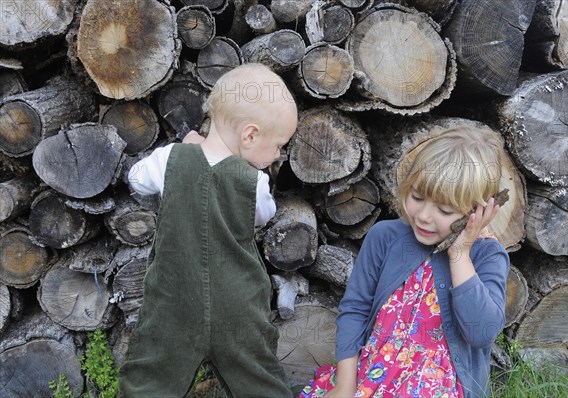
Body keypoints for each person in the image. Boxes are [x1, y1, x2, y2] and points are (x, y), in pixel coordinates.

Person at [119, 63, 298, 398]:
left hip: (173, 301)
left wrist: (186, 149)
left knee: (150, 379)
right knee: (258, 378)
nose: (277, 155)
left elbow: (137, 179)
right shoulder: (254, 182)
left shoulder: (170, 159)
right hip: (238, 304)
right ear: (250, 135)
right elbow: (263, 215)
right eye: (277, 146)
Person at [300, 127, 510, 398]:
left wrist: (460, 253)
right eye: (417, 197)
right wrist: (345, 385)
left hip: (441, 386)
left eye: (445, 210)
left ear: (477, 211)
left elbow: (481, 333)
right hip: (376, 371)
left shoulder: (486, 255)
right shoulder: (385, 237)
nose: (423, 216)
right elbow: (355, 309)